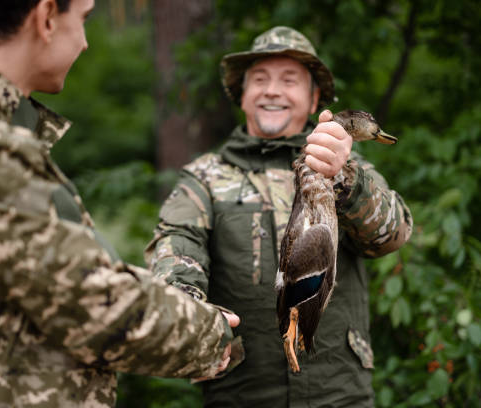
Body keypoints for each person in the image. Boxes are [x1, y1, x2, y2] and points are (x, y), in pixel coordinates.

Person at [0, 0, 240, 406]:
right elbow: (94, 307)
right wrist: (211, 332)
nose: (84, 43)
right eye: (82, 19)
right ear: (47, 16)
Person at [146, 26, 413, 407]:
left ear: (314, 98)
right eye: (260, 79)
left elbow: (395, 234)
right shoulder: (204, 178)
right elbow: (175, 252)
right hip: (242, 397)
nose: (272, 90)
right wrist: (189, 310)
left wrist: (346, 177)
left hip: (341, 396)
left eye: (289, 80)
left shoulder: (348, 166)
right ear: (242, 96)